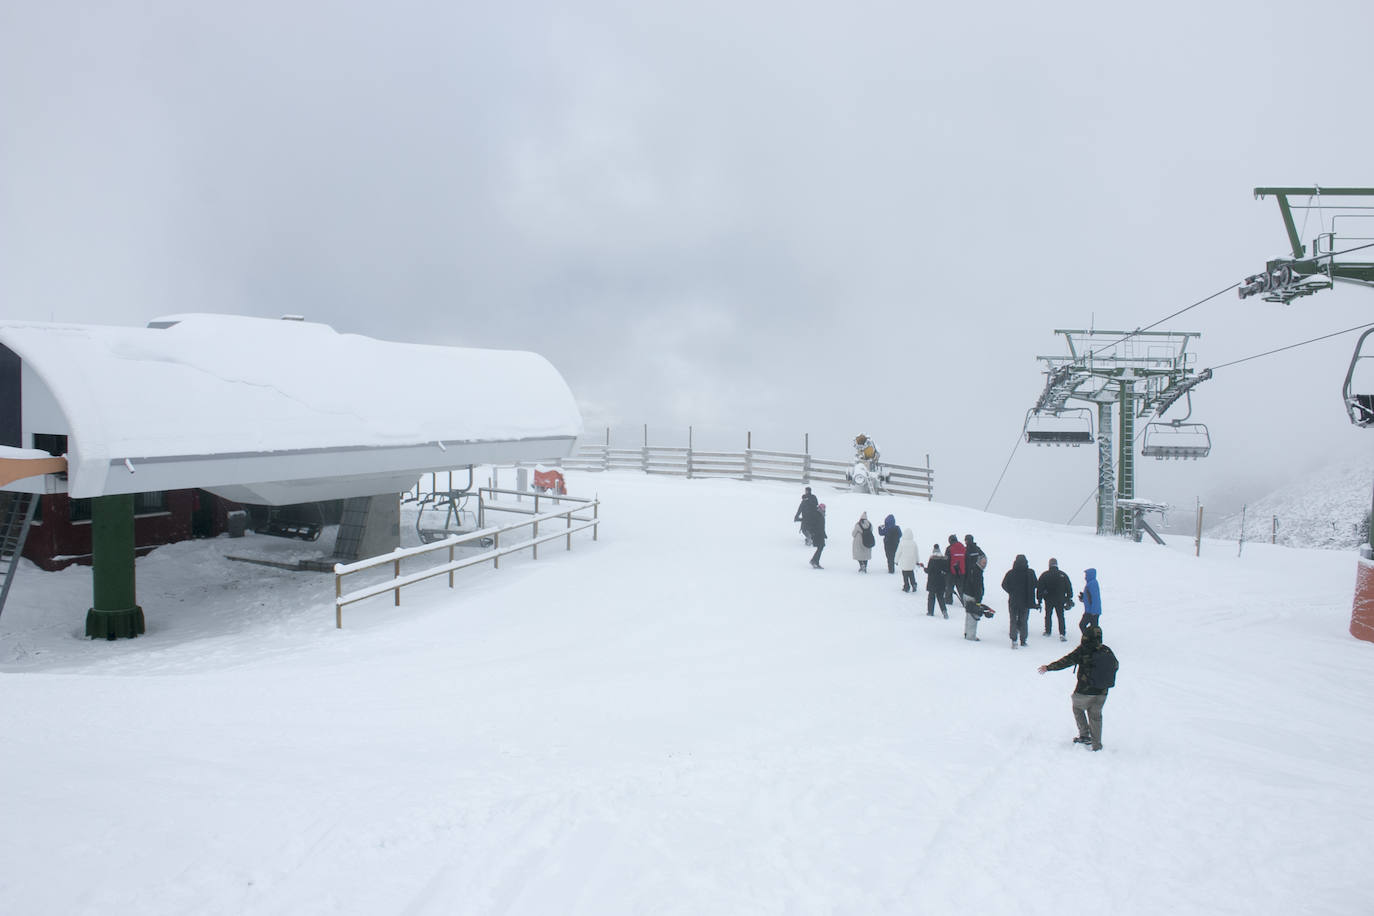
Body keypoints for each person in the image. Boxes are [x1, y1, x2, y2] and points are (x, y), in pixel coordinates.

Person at [1038, 623, 1112, 751]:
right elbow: (1115, 665)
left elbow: (1066, 661)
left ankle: (1084, 735)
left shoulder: (1083, 650)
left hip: (1085, 691)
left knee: (1077, 707)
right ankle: (1097, 745)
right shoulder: (1106, 650)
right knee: (1096, 716)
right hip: (1103, 691)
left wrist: (1049, 667)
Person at [1001, 554, 1038, 649]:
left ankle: (1014, 640)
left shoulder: (1010, 573)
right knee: (1024, 620)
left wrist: (1011, 591)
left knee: (1013, 620)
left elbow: (1004, 584)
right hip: (1026, 601)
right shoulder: (1030, 573)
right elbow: (1035, 584)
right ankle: (1023, 640)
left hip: (1013, 600)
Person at [1037, 558, 1074, 641]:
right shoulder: (1063, 575)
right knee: (1061, 616)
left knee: (1048, 615)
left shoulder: (1045, 575)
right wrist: (1069, 598)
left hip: (1048, 599)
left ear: (1049, 565)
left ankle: (1048, 631)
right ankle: (1062, 633)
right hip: (1060, 599)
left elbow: (1039, 588)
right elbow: (1069, 587)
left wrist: (1039, 600)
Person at [923, 544, 949, 618]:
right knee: (941, 597)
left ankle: (930, 612)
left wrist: (924, 569)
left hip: (932, 582)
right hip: (941, 582)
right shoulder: (944, 559)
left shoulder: (932, 559)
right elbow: (946, 570)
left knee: (931, 597)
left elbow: (929, 570)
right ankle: (944, 611)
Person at [962, 535, 987, 603]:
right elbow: (984, 558)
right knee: (979, 586)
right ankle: (978, 599)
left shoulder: (966, 550)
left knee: (969, 587)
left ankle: (972, 601)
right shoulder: (977, 549)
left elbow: (963, 561)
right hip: (978, 572)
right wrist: (980, 568)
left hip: (969, 572)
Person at [802, 500, 827, 568]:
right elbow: (813, 525)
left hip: (820, 534)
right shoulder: (817, 514)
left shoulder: (821, 514)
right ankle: (814, 561)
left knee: (821, 547)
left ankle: (815, 561)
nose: (824, 509)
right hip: (817, 534)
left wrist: (824, 534)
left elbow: (821, 526)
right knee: (820, 547)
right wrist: (813, 533)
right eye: (823, 508)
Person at [896, 526, 920, 593]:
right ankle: (914, 584)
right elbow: (916, 553)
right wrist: (917, 561)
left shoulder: (902, 543)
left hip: (904, 563)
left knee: (905, 575)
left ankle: (906, 586)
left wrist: (896, 560)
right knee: (911, 574)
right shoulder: (914, 543)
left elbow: (898, 552)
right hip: (911, 563)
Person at [1078, 567, 1102, 632]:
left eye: (1086, 575)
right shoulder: (1091, 583)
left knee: (1083, 625)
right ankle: (1091, 639)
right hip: (1090, 610)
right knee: (1092, 628)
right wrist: (1083, 598)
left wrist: (1093, 612)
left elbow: (1095, 599)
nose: (1085, 577)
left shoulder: (1092, 583)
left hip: (1092, 611)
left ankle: (1090, 639)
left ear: (1090, 575)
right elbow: (1089, 597)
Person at [945, 534, 966, 604]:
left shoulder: (949, 548)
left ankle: (948, 601)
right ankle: (965, 601)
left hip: (952, 572)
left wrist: (945, 570)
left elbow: (947, 561)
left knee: (949, 587)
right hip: (961, 571)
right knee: (961, 588)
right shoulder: (963, 547)